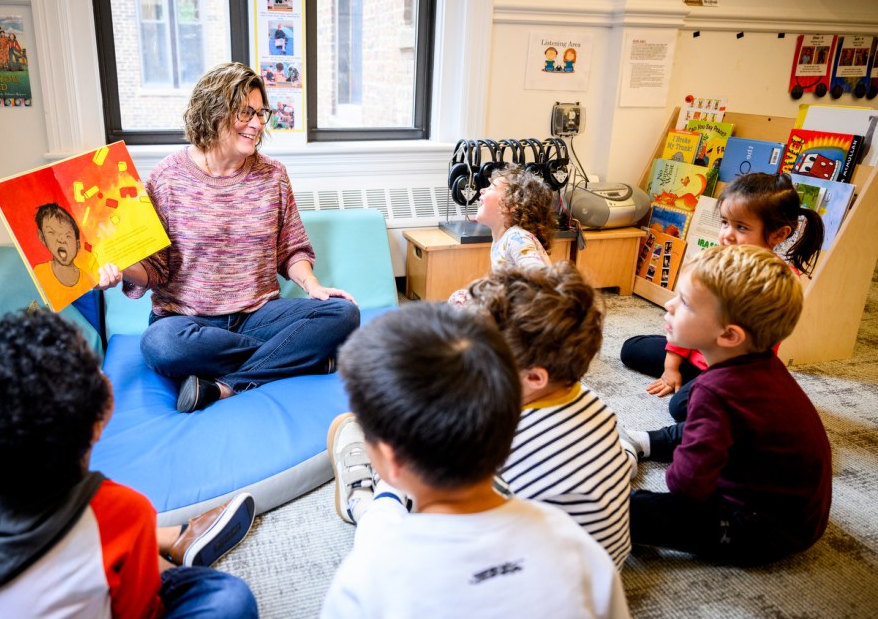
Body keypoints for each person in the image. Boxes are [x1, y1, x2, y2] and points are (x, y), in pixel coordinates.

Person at [0, 309, 259, 618]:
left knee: (116, 547)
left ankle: (171, 539)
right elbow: (143, 612)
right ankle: (166, 545)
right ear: (100, 418)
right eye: (94, 370)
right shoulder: (123, 511)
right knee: (229, 598)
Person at [323, 302, 630, 618]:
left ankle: (377, 498)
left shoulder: (365, 578)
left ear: (389, 460)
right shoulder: (578, 546)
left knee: (381, 522)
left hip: (390, 533)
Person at [97, 62, 359, 413]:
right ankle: (303, 358)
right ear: (213, 111)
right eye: (245, 112)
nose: (257, 123)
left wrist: (312, 286)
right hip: (186, 320)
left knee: (343, 313)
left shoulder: (273, 175)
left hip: (258, 313)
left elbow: (292, 249)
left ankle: (225, 387)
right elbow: (154, 270)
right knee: (159, 345)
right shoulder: (166, 178)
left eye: (261, 112)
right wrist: (123, 269)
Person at [622, 245, 832, 565]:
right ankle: (644, 441)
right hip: (799, 519)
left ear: (730, 335)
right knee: (710, 428)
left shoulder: (713, 391)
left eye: (686, 303)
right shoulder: (762, 367)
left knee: (627, 510)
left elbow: (687, 486)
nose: (669, 304)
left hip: (757, 530)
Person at [620, 171, 824, 422]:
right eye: (725, 222)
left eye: (741, 227)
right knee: (631, 349)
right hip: (699, 346)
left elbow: (750, 353)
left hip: (733, 372)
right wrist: (671, 367)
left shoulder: (777, 281)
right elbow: (688, 318)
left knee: (681, 408)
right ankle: (691, 377)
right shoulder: (716, 262)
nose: (727, 234)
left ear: (779, 234)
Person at [468, 264, 635, 568]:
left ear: (535, 378)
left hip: (540, 585)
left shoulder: (501, 434)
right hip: (603, 573)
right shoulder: (594, 402)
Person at [448, 163, 556, 306]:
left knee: (459, 300)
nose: (481, 190)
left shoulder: (517, 238)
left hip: (524, 314)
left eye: (491, 187)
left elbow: (541, 281)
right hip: (510, 308)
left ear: (511, 205)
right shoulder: (503, 239)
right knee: (462, 297)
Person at [33, 202, 89, 306]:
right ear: (42, 238)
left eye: (67, 235)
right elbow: (34, 303)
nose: (61, 240)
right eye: (52, 233)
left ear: (78, 245)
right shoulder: (39, 273)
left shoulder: (88, 280)